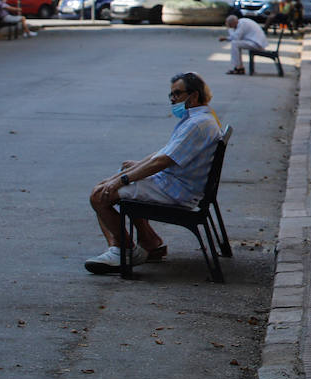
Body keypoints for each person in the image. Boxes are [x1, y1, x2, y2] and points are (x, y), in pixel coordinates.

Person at [85, 72, 223, 274]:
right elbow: (164, 152)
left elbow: (162, 160)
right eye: (171, 95)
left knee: (99, 195)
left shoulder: (197, 124)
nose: (173, 99)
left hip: (177, 191)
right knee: (114, 182)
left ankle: (123, 250)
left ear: (193, 96)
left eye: (177, 94)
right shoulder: (199, 118)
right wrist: (132, 170)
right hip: (176, 183)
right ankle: (150, 242)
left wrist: (123, 179)